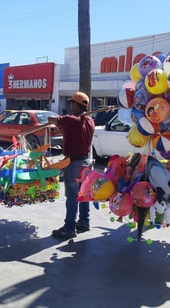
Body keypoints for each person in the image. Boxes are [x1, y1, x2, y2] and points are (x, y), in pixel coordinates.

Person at [48, 91, 95, 240]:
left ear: (76, 105)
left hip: (74, 163)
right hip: (87, 163)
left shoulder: (70, 119)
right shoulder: (90, 122)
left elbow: (52, 120)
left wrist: (57, 122)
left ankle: (69, 228)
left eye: (72, 103)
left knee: (72, 197)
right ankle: (84, 222)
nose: (70, 106)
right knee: (84, 194)